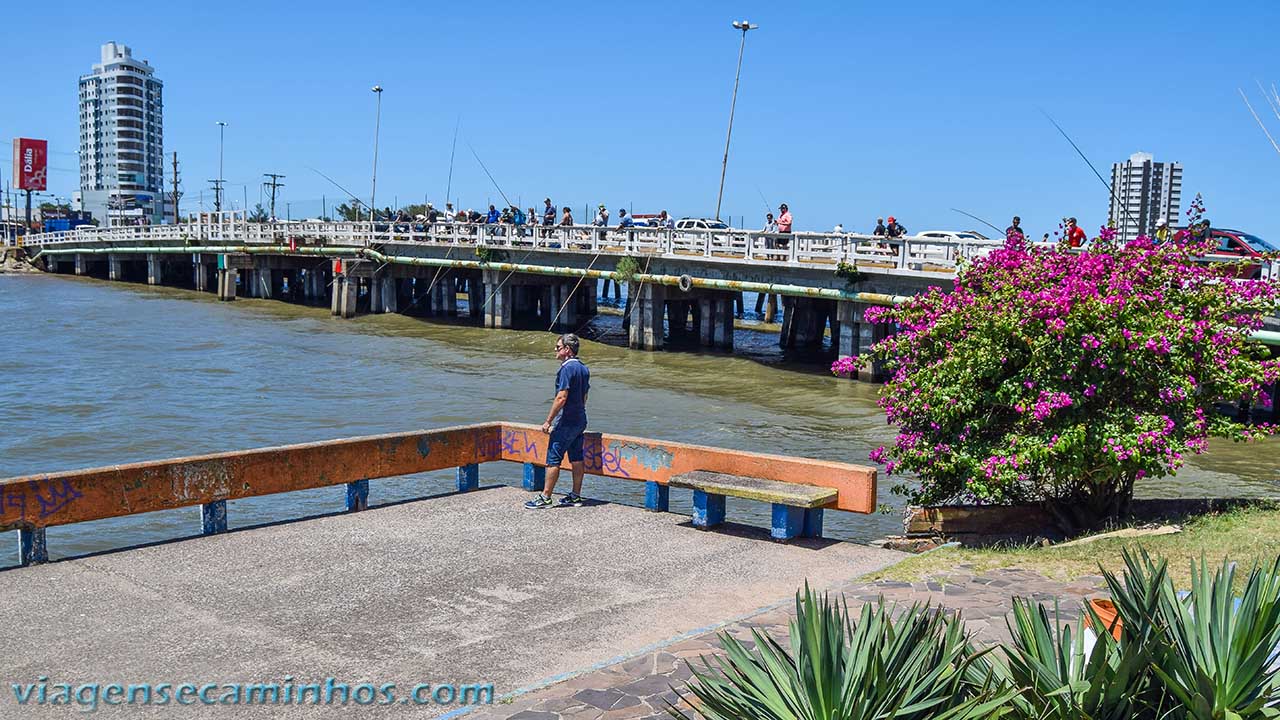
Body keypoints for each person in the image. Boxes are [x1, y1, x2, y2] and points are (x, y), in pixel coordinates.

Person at [525, 333, 591, 509]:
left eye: (558, 347)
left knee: (553, 458)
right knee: (576, 458)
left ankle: (546, 497)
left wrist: (548, 421)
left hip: (566, 421)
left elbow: (561, 397)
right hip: (580, 419)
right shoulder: (584, 368)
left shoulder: (566, 369)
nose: (555, 350)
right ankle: (576, 496)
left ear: (567, 350)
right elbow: (585, 396)